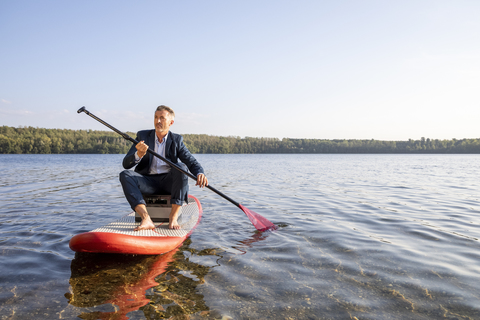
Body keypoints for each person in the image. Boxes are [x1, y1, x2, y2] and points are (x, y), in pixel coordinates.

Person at [119, 105, 208, 231]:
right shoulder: (143, 136)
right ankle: (146, 218)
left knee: (181, 167)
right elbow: (126, 164)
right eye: (156, 117)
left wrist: (200, 173)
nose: (158, 121)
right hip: (147, 182)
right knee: (125, 175)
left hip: (169, 183)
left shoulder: (176, 140)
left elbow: (191, 162)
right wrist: (138, 155)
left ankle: (173, 216)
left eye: (162, 118)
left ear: (171, 122)